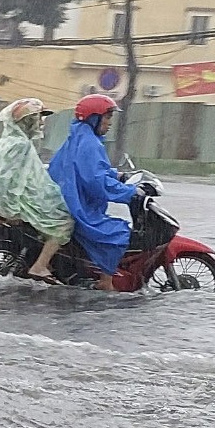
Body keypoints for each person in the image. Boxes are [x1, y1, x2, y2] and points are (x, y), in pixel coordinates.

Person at [48, 94, 140, 291]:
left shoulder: (80, 135)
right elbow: (96, 182)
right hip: (79, 207)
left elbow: (96, 171)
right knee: (119, 232)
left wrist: (118, 175)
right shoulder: (90, 143)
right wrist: (129, 193)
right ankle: (105, 282)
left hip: (72, 200)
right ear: (94, 118)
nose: (109, 124)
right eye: (106, 118)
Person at [0, 98, 73, 283]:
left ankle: (42, 258)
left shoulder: (5, 141)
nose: (41, 123)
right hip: (17, 204)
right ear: (27, 121)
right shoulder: (20, 145)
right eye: (37, 119)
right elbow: (5, 179)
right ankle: (40, 266)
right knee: (66, 221)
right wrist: (10, 211)